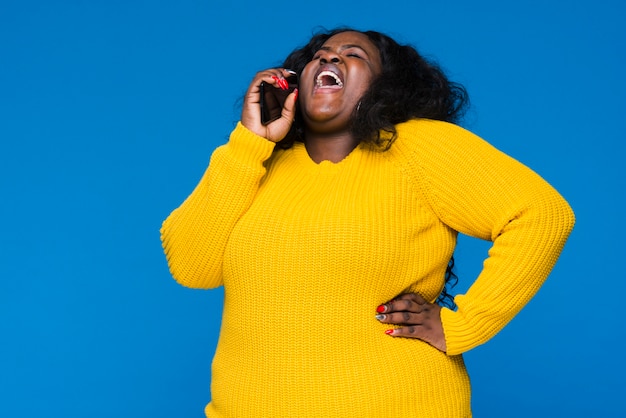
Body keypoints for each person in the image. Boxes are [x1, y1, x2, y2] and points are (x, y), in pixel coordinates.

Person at [160, 27, 575, 417]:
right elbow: (191, 265)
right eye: (319, 57)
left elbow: (541, 213)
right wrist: (251, 142)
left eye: (352, 55)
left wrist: (464, 325)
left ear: (386, 86)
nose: (330, 58)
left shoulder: (418, 146)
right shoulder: (258, 164)